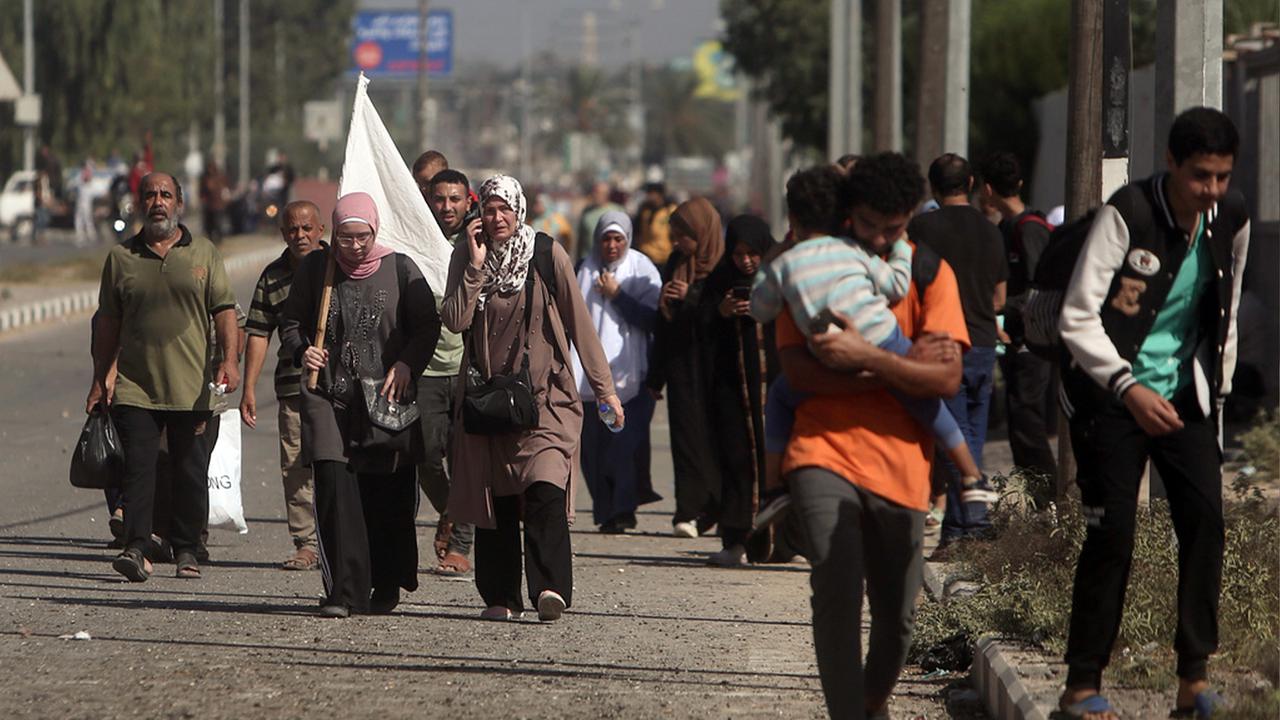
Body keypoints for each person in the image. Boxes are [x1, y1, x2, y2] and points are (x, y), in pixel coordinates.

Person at [1056, 107, 1249, 720]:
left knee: (1205, 523)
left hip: (1184, 398)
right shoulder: (1129, 214)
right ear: (1171, 163)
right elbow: (1077, 317)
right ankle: (1082, 685)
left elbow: (1226, 316)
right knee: (1112, 535)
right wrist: (1127, 387)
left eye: (1220, 176)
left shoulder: (1230, 219)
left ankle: (1194, 679)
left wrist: (1213, 399)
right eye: (1199, 176)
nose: (1210, 190)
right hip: (1111, 396)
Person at [777, 152, 970, 719]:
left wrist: (861, 358)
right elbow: (797, 371)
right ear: (847, 216)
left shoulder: (931, 274)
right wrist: (902, 368)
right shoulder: (812, 266)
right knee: (835, 592)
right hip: (821, 453)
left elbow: (947, 379)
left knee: (898, 622)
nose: (883, 240)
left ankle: (868, 703)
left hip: (903, 467)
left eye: (896, 227)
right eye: (869, 226)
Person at [441, 175, 621, 622]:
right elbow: (456, 320)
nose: (497, 217)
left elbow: (581, 324)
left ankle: (550, 588)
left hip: (545, 400)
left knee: (544, 487)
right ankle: (501, 597)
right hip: (488, 402)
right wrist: (476, 266)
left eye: (505, 209)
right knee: (497, 500)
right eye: (490, 208)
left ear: (519, 211)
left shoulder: (545, 253)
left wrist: (605, 391)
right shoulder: (467, 253)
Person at [280, 192, 441, 618]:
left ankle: (384, 583)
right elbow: (292, 322)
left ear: (375, 230)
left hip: (384, 400)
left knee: (385, 493)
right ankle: (341, 591)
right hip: (329, 397)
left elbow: (428, 326)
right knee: (334, 487)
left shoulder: (401, 269)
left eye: (362, 237)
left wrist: (407, 363)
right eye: (345, 238)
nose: (353, 247)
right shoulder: (318, 268)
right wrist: (302, 352)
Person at [88, 172, 240, 582]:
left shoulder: (204, 253)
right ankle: (137, 547)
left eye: (166, 195)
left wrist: (230, 361)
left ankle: (187, 547)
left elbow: (224, 311)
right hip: (137, 387)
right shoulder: (121, 258)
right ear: (140, 204)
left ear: (180, 204)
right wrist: (100, 377)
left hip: (193, 388)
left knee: (189, 472)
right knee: (138, 469)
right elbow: (107, 323)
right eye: (150, 195)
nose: (158, 201)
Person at [909, 153, 1008, 544]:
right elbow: (1000, 297)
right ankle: (957, 531)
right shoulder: (991, 230)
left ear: (933, 187)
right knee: (971, 439)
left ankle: (974, 523)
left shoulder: (921, 228)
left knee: (953, 438)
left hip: (941, 342)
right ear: (970, 185)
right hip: (983, 342)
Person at [240, 201, 326, 571]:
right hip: (292, 390)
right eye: (293, 230)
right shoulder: (273, 276)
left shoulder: (338, 267)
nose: (300, 236)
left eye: (307, 228)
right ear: (283, 233)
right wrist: (248, 389)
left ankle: (340, 536)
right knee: (295, 466)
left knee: (338, 465)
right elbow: (258, 332)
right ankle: (306, 541)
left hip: (337, 391)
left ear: (320, 230)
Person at [573, 211, 663, 534]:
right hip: (589, 378)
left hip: (631, 376)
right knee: (594, 449)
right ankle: (607, 510)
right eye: (606, 239)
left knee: (622, 447)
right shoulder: (583, 269)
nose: (611, 246)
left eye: (618, 239)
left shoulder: (642, 269)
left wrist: (618, 296)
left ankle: (623, 508)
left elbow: (653, 319)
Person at [977, 151, 1059, 489]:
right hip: (1016, 339)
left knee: (1028, 423)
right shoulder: (1007, 228)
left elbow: (1040, 288)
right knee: (1019, 423)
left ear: (986, 189)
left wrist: (1000, 307)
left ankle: (1050, 498)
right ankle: (1040, 499)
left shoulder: (1028, 230)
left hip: (1032, 343)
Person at [645, 197, 725, 539]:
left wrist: (691, 296)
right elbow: (663, 325)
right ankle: (688, 511)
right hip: (680, 363)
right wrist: (656, 375)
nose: (677, 243)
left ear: (701, 233)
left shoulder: (724, 266)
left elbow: (720, 314)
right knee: (685, 438)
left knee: (716, 439)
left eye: (683, 236)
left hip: (715, 366)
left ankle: (716, 507)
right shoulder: (676, 262)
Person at [705, 215, 780, 566]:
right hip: (733, 392)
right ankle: (736, 541)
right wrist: (720, 312)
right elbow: (697, 329)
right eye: (739, 254)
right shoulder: (719, 281)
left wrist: (767, 312)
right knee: (737, 463)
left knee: (779, 462)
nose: (746, 261)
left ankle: (783, 543)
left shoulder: (781, 278)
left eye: (753, 254)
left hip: (776, 390)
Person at [419, 168, 476, 576]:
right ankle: (451, 511)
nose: (447, 207)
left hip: (468, 370)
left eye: (454, 199)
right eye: (440, 199)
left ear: (467, 200)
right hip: (424, 369)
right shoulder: (413, 241)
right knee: (424, 455)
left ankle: (460, 546)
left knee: (467, 460)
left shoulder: (478, 242)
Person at [575, 180, 623, 262]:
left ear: (606, 194)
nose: (595, 195)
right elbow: (581, 238)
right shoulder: (587, 211)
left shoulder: (617, 210)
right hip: (588, 259)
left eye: (598, 193)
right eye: (594, 192)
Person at [632, 182, 676, 267]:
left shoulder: (670, 211)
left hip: (664, 258)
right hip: (646, 256)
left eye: (652, 193)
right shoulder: (645, 211)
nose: (649, 196)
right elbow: (637, 231)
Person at [199, 161, 230, 245]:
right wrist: (203, 201)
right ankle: (211, 239)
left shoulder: (220, 177)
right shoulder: (205, 179)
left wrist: (225, 199)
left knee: (218, 223)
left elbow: (225, 189)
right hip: (209, 206)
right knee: (209, 224)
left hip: (218, 205)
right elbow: (202, 192)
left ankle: (219, 239)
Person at [74, 160, 99, 247]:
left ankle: (91, 234)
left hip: (87, 202)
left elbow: (94, 191)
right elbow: (77, 184)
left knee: (88, 218)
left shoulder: (91, 181)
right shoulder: (80, 177)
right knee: (79, 218)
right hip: (80, 201)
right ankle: (80, 235)